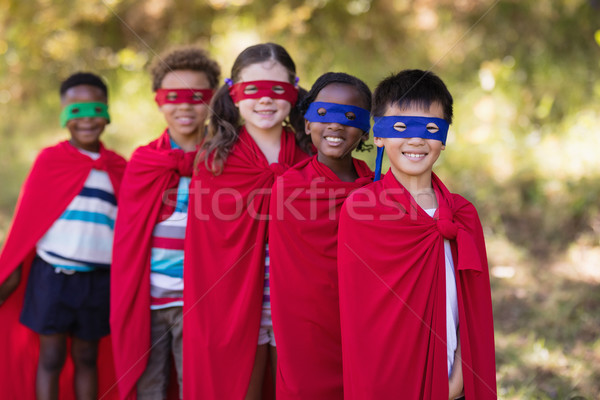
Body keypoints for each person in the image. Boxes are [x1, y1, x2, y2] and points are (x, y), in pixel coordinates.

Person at [337, 69, 497, 399]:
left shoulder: (462, 215)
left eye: (430, 128)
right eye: (400, 127)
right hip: (388, 383)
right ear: (378, 136)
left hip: (454, 380)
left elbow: (474, 308)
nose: (416, 139)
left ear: (443, 138)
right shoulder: (361, 210)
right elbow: (362, 320)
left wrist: (459, 377)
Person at [183, 42, 311, 400]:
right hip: (234, 308)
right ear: (234, 94)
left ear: (295, 90)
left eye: (277, 89)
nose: (266, 100)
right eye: (253, 89)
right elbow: (205, 252)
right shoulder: (216, 160)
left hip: (299, 305)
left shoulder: (310, 152)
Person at [0, 72, 126, 400]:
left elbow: (130, 231)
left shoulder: (119, 168)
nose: (86, 120)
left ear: (107, 112)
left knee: (87, 357)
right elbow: (26, 227)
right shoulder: (51, 162)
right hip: (51, 277)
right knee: (51, 357)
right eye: (76, 111)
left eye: (95, 110)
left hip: (98, 281)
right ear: (63, 115)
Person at [110, 47, 220, 400]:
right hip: (151, 298)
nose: (185, 106)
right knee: (149, 387)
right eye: (173, 97)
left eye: (196, 97)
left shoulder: (225, 160)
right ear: (159, 102)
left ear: (214, 100)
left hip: (201, 299)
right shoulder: (145, 161)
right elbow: (129, 237)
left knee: (199, 385)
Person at [269, 72, 374, 399]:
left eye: (350, 116)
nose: (336, 125)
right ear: (307, 124)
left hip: (362, 322)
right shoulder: (290, 186)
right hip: (306, 329)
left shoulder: (377, 187)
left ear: (366, 129)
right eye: (324, 114)